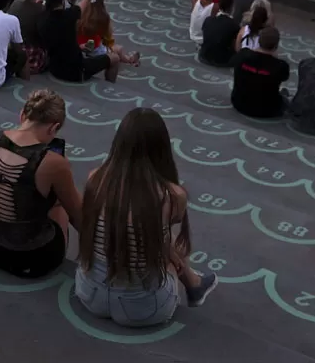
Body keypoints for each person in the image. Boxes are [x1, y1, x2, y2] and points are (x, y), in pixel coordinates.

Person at [75, 108, 217, 327]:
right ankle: (193, 284)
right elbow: (163, 238)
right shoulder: (171, 195)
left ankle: (194, 282)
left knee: (152, 238)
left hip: (90, 295)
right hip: (143, 309)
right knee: (168, 247)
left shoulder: (96, 179)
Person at [0, 89, 81, 278]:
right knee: (59, 204)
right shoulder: (53, 162)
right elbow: (78, 216)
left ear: (22, 115)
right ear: (53, 128)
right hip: (29, 258)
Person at [229, 26, 290, 118]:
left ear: (259, 41)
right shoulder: (281, 66)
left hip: (239, 103)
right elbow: (284, 77)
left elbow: (233, 61)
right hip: (268, 110)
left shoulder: (243, 55)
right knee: (286, 97)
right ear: (276, 45)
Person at [197, 0, 238, 67]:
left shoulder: (208, 19)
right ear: (231, 8)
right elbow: (235, 46)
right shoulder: (234, 25)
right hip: (221, 60)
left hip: (204, 55)